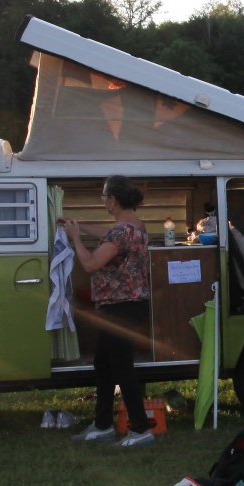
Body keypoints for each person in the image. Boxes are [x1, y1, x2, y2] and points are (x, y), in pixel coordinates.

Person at [60, 175, 156, 448]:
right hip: (128, 305)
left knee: (122, 368)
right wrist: (78, 226)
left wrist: (76, 238)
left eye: (104, 197)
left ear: (112, 200)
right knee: (103, 363)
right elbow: (108, 235)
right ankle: (103, 424)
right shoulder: (136, 226)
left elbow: (91, 264)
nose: (103, 201)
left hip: (120, 307)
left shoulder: (120, 232)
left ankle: (140, 429)